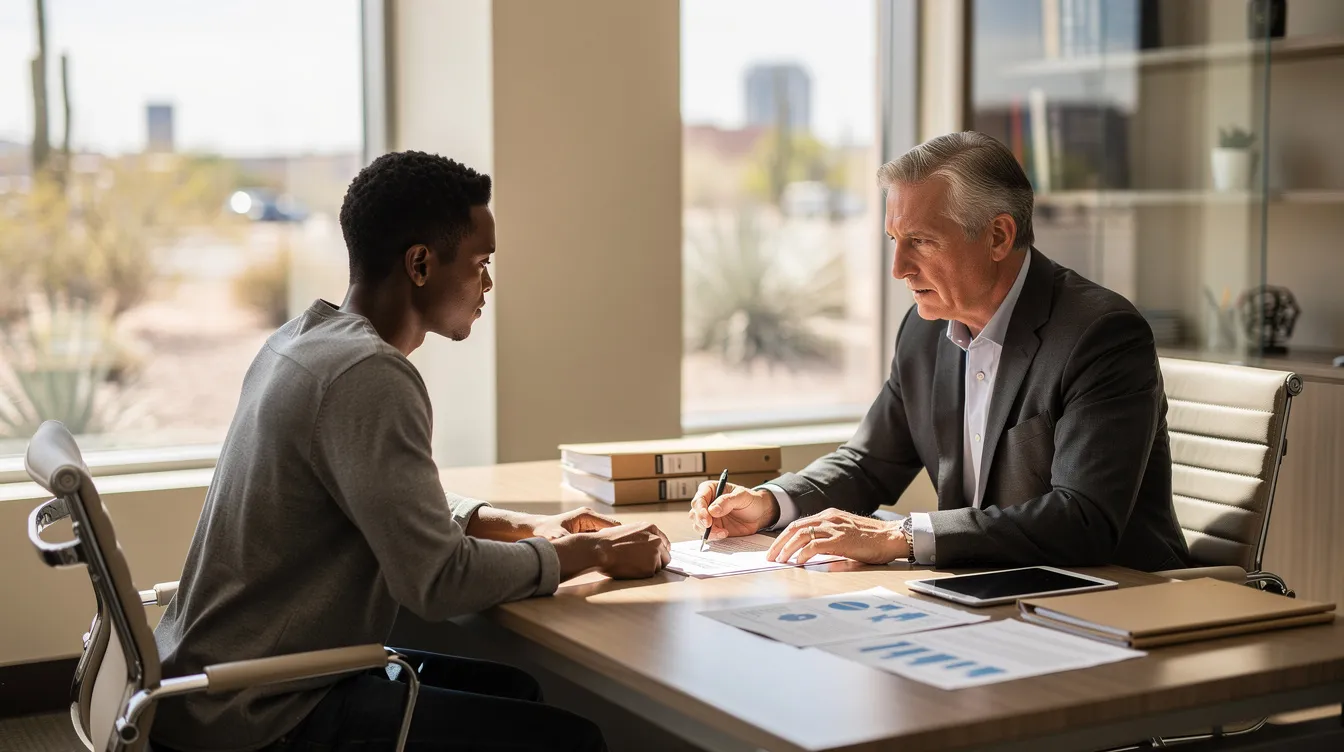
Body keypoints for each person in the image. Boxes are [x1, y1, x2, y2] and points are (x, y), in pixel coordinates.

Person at [153, 151, 669, 752]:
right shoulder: (369, 374)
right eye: (480, 263)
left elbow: (368, 492)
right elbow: (438, 583)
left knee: (516, 691)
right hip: (267, 710)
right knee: (572, 740)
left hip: (213, 685)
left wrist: (517, 524)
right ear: (421, 263)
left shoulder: (300, 343)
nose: (488, 283)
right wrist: (590, 553)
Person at [691, 131, 1189, 573]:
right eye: (893, 239)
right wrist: (769, 502)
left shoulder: (1100, 335)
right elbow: (870, 463)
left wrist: (900, 536)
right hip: (984, 587)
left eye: (921, 241)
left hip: (1114, 596)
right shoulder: (924, 329)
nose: (898, 268)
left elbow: (1082, 520)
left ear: (998, 236)